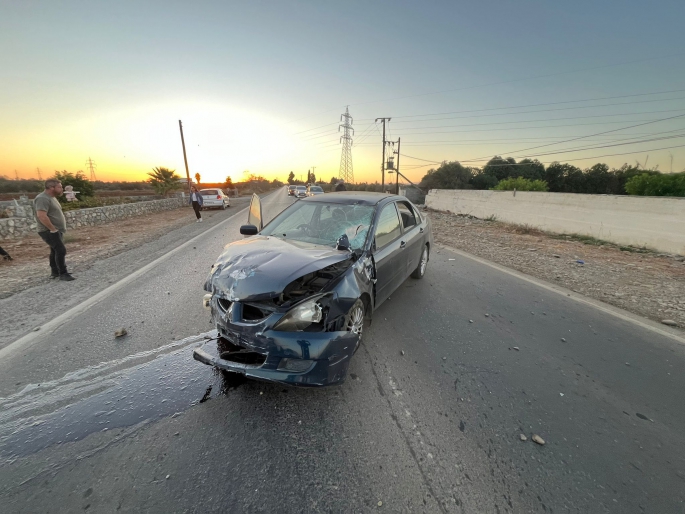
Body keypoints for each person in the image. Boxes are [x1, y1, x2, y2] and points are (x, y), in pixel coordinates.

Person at [34, 179, 74, 281]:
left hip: (55, 230)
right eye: (59, 187)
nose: (61, 189)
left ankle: (55, 272)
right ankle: (63, 273)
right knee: (61, 250)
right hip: (48, 230)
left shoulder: (52, 197)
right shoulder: (42, 198)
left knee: (55, 250)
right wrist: (52, 229)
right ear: (51, 187)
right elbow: (41, 216)